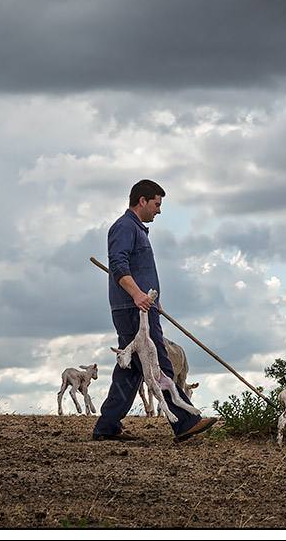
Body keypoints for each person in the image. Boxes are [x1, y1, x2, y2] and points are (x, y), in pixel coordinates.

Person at [93, 179, 217, 443]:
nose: (159, 210)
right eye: (157, 204)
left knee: (131, 369)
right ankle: (185, 423)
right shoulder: (125, 227)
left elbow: (134, 267)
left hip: (139, 306)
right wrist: (138, 294)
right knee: (157, 362)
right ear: (142, 201)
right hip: (133, 309)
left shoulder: (136, 229)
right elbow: (117, 263)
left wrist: (151, 297)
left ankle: (107, 426)